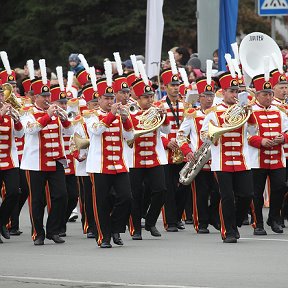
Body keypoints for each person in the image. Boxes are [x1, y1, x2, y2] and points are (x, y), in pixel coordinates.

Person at [20, 65, 73, 245]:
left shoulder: (57, 111)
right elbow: (31, 129)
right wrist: (47, 116)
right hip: (35, 162)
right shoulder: (26, 112)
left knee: (61, 195)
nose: (47, 99)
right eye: (43, 96)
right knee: (37, 200)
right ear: (35, 97)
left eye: (48, 96)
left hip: (56, 159)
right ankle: (38, 233)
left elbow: (70, 132)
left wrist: (65, 120)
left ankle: (53, 230)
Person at [201, 71, 256, 243]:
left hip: (242, 159)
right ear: (223, 92)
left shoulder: (245, 110)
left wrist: (251, 113)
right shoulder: (213, 113)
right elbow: (204, 135)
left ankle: (237, 221)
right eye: (231, 91)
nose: (234, 95)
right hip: (221, 161)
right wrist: (216, 134)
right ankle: (229, 232)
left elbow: (253, 132)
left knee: (246, 195)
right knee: (227, 197)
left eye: (237, 91)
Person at [85, 77, 134, 248]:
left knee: (126, 197)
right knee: (102, 202)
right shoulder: (91, 115)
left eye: (111, 98)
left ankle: (115, 227)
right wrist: (112, 114)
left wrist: (126, 118)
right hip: (99, 166)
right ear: (98, 99)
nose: (109, 101)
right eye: (105, 98)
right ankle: (104, 237)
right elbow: (96, 130)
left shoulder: (121, 114)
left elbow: (130, 137)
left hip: (119, 164)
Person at [127, 77, 170, 240]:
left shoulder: (156, 110)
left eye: (151, 96)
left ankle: (150, 221)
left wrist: (164, 117)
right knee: (135, 194)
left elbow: (166, 130)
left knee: (161, 190)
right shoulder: (130, 111)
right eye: (146, 97)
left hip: (154, 157)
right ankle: (136, 228)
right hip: (134, 158)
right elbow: (127, 134)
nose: (150, 100)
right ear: (138, 98)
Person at [178, 76, 220, 234]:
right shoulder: (192, 114)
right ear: (199, 97)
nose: (209, 99)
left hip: (217, 158)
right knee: (201, 194)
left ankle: (213, 215)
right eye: (206, 96)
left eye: (211, 95)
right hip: (199, 160)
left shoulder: (219, 113)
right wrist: (187, 152)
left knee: (219, 191)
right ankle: (201, 223)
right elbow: (181, 135)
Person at [249, 73, 288, 235]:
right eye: (265, 94)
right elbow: (245, 134)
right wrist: (260, 141)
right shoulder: (249, 111)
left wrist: (283, 137)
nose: (268, 97)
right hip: (257, 159)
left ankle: (273, 218)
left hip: (277, 158)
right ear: (257, 95)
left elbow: (287, 130)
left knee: (280, 187)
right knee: (256, 192)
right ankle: (258, 223)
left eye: (270, 94)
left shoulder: (280, 111)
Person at [157, 68, 190, 232]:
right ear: (165, 87)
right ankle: (170, 221)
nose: (176, 88)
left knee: (184, 185)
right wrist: (165, 142)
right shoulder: (159, 105)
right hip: (167, 151)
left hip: (183, 150)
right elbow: (154, 129)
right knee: (169, 188)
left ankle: (178, 217)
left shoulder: (186, 105)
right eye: (172, 85)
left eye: (177, 85)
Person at [0, 78, 24, 243]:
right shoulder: (3, 114)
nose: (2, 98)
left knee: (14, 192)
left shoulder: (9, 113)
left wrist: (16, 120)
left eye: (2, 95)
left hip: (9, 160)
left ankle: (1, 222)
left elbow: (20, 135)